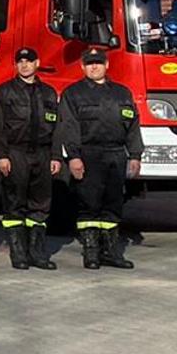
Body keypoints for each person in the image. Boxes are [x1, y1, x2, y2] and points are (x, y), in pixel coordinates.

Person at [56, 48, 142, 270]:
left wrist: (135, 155)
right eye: (90, 63)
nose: (94, 67)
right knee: (89, 205)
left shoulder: (122, 93)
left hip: (116, 154)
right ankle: (91, 252)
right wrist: (73, 157)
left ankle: (112, 252)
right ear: (82, 67)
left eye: (98, 63)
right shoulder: (73, 94)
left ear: (107, 65)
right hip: (88, 154)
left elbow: (132, 126)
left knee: (113, 205)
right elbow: (69, 128)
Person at [0, 47, 61, 270]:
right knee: (14, 204)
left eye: (28, 61)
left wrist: (56, 156)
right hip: (15, 153)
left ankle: (37, 253)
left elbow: (57, 127)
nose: (24, 65)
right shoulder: (5, 91)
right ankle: (18, 253)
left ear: (37, 63)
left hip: (42, 153)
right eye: (20, 61)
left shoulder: (49, 93)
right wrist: (2, 155)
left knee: (40, 205)